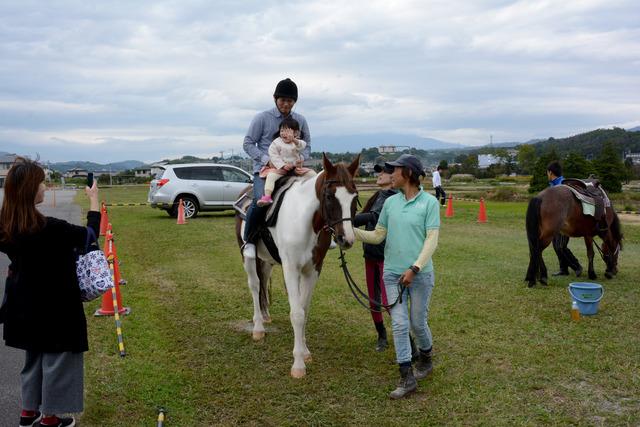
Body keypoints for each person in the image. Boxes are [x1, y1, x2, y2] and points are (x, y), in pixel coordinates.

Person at [0, 157, 100, 427]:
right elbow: (91, 235)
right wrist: (93, 201)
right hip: (57, 308)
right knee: (58, 362)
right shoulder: (52, 228)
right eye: (42, 182)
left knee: (33, 359)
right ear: (30, 189)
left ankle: (28, 412)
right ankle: (52, 419)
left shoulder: (6, 227)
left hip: (22, 308)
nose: (45, 187)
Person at [354, 154, 440, 399]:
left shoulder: (429, 203)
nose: (390, 175)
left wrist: (415, 268)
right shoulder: (391, 204)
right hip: (392, 274)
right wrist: (350, 232)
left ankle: (425, 358)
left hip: (420, 275)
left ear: (409, 173)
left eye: (395, 170)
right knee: (400, 325)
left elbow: (432, 240)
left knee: (417, 322)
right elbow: (378, 235)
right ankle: (406, 376)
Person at [242, 78, 311, 258]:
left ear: (295, 102)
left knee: (317, 193)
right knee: (259, 201)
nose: (286, 104)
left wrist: (301, 159)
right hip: (267, 170)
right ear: (275, 98)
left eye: (290, 101)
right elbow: (248, 143)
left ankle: (323, 235)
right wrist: (267, 160)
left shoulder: (301, 120)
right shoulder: (262, 118)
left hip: (294, 169)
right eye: (283, 100)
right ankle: (249, 240)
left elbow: (308, 145)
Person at [352, 163, 397, 352]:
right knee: (373, 299)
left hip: (385, 256)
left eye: (384, 172)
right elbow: (364, 215)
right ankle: (381, 335)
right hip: (370, 254)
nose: (379, 174)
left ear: (393, 178)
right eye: (379, 171)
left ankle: (406, 338)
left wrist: (343, 222)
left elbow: (372, 217)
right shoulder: (377, 196)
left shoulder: (394, 198)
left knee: (388, 301)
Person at [256, 117, 316, 207]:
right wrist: (283, 165)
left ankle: (317, 191)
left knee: (312, 174)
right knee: (271, 176)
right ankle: (267, 196)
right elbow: (273, 155)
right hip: (280, 169)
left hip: (296, 168)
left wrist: (295, 140)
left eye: (287, 131)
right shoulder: (276, 143)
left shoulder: (296, 142)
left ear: (295, 133)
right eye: (282, 130)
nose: (283, 133)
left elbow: (303, 146)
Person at [547, 161, 583, 277]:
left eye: (547, 173)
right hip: (555, 221)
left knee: (560, 246)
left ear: (550, 172)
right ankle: (563, 269)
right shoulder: (554, 184)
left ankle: (577, 266)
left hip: (564, 222)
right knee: (556, 245)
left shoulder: (563, 185)